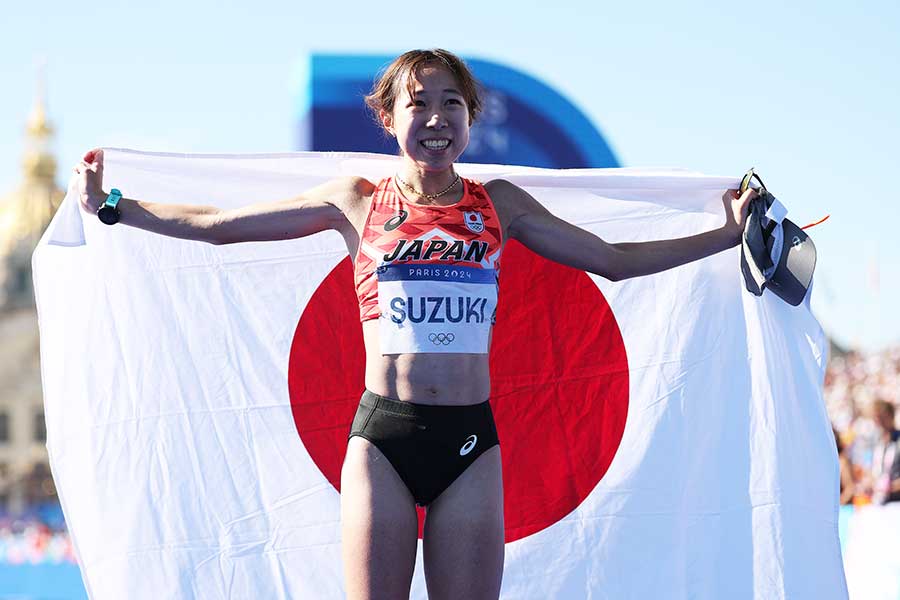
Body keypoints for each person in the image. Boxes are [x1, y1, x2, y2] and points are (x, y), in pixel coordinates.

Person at [75, 48, 756, 600]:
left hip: (470, 443)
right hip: (383, 440)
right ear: (388, 116)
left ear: (471, 118)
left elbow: (611, 260)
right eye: (418, 103)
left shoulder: (502, 205)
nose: (435, 118)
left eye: (451, 103)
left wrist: (726, 236)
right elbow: (221, 229)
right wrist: (113, 205)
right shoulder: (356, 202)